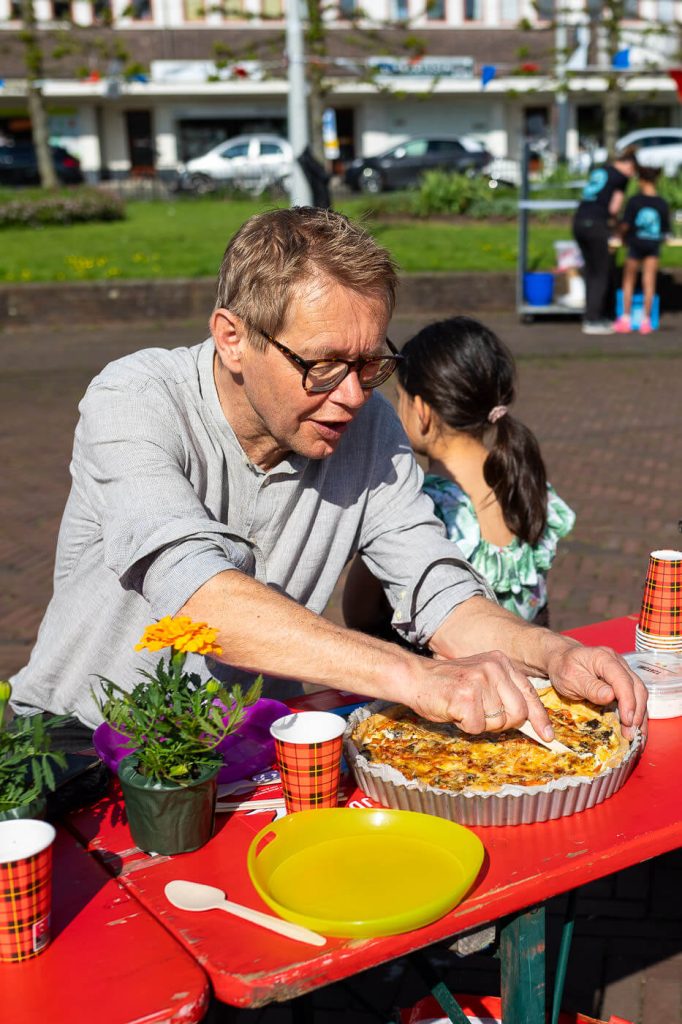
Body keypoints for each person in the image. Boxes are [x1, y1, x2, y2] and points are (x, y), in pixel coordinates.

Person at [9, 207, 646, 751]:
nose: (351, 396)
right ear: (233, 338)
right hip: (77, 742)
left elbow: (437, 591)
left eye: (371, 363)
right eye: (323, 364)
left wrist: (550, 653)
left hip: (248, 747)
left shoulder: (372, 431)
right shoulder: (133, 398)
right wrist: (413, 677)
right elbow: (198, 596)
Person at [343, 317, 575, 632]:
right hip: (529, 669)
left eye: (400, 398)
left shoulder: (420, 508)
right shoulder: (524, 479)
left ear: (421, 412)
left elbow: (360, 614)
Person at [573, 147, 638, 335]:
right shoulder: (621, 177)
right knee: (601, 272)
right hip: (596, 224)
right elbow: (613, 208)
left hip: (579, 222)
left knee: (591, 270)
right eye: (633, 171)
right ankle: (593, 319)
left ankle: (593, 314)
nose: (632, 175)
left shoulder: (602, 170)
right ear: (629, 165)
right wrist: (618, 229)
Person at [613, 165, 670, 335]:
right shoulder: (662, 203)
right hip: (653, 244)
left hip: (635, 243)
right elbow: (665, 229)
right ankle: (646, 320)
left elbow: (626, 224)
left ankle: (626, 317)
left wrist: (620, 236)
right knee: (649, 282)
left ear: (641, 181)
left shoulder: (635, 201)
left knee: (629, 280)